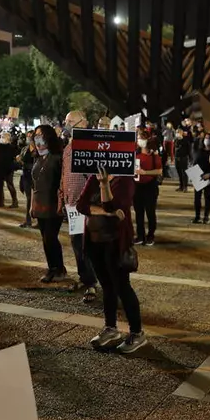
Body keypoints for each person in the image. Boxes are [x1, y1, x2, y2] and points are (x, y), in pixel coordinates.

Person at [77, 168, 147, 353]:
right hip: (94, 241)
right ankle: (111, 328)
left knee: (122, 287)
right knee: (107, 286)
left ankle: (137, 332)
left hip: (115, 242)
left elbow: (116, 206)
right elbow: (81, 206)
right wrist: (106, 213)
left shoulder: (125, 180)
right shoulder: (93, 176)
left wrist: (105, 185)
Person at [59, 110, 99, 302]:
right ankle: (85, 278)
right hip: (71, 204)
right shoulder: (68, 148)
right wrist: (62, 197)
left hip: (86, 205)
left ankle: (92, 283)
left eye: (70, 121)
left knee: (88, 245)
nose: (67, 125)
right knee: (76, 244)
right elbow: (64, 175)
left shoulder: (91, 146)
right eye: (66, 121)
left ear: (83, 124)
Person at [31, 125, 67, 283]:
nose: (38, 138)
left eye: (41, 134)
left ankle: (58, 268)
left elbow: (62, 182)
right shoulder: (38, 157)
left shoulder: (58, 157)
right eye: (36, 135)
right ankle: (52, 267)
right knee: (45, 238)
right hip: (40, 203)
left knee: (50, 238)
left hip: (53, 204)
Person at [133, 129, 163, 246]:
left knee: (150, 212)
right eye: (138, 138)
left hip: (150, 186)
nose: (140, 140)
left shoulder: (153, 154)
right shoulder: (135, 153)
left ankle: (151, 235)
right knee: (138, 212)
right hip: (137, 186)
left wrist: (145, 172)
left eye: (142, 138)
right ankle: (140, 235)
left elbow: (159, 170)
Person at [0, 131, 19, 208]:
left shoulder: (12, 147)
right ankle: (1, 201)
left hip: (8, 169)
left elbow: (14, 158)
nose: (2, 138)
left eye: (4, 137)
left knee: (10, 185)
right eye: (2, 137)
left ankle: (15, 201)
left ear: (9, 138)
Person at [193, 133, 210, 224]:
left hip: (209, 176)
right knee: (197, 197)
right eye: (205, 138)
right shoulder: (200, 150)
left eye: (208, 138)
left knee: (207, 196)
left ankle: (206, 217)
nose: (206, 140)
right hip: (198, 175)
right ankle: (197, 216)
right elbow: (195, 162)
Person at [18, 130, 36, 228]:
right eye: (27, 136)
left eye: (31, 136)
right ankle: (28, 220)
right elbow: (21, 160)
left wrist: (23, 162)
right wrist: (20, 160)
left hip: (34, 176)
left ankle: (32, 219)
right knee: (28, 198)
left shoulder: (38, 149)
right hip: (25, 175)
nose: (29, 138)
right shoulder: (25, 148)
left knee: (32, 199)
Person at [174, 127, 191, 191]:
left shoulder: (185, 140)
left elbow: (189, 149)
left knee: (184, 173)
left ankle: (185, 187)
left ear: (182, 133)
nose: (177, 133)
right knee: (179, 173)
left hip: (183, 158)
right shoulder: (176, 140)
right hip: (177, 157)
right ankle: (181, 186)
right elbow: (174, 149)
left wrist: (189, 157)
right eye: (176, 132)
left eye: (178, 132)